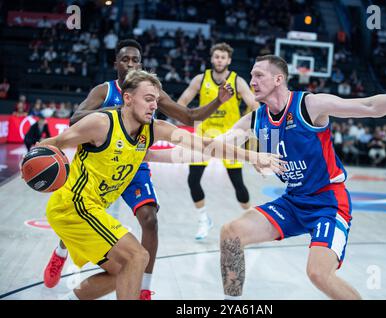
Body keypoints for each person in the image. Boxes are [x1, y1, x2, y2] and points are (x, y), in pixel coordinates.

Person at [218, 55, 386, 299]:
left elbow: (370, 107)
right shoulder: (256, 120)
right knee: (231, 233)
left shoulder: (309, 105)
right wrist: (179, 137)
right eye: (252, 75)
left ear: (278, 79)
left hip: (328, 202)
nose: (251, 80)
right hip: (293, 201)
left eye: (258, 75)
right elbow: (215, 145)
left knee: (318, 274)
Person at [38, 70, 283, 300]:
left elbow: (205, 145)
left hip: (92, 209)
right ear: (128, 98)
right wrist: (34, 160)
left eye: (155, 100)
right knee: (137, 256)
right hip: (73, 206)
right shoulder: (101, 124)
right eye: (148, 99)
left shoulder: (154, 129)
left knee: (124, 271)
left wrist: (252, 156)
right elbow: (55, 142)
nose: (154, 105)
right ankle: (60, 252)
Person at [177, 42, 260, 240]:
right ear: (212, 59)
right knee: (193, 179)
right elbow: (180, 103)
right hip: (204, 135)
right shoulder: (200, 79)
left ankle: (253, 224)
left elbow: (254, 104)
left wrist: (245, 125)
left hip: (229, 137)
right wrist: (191, 119)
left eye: (223, 57)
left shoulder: (237, 81)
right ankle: (203, 219)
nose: (219, 60)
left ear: (229, 60)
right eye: (216, 56)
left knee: (238, 184)